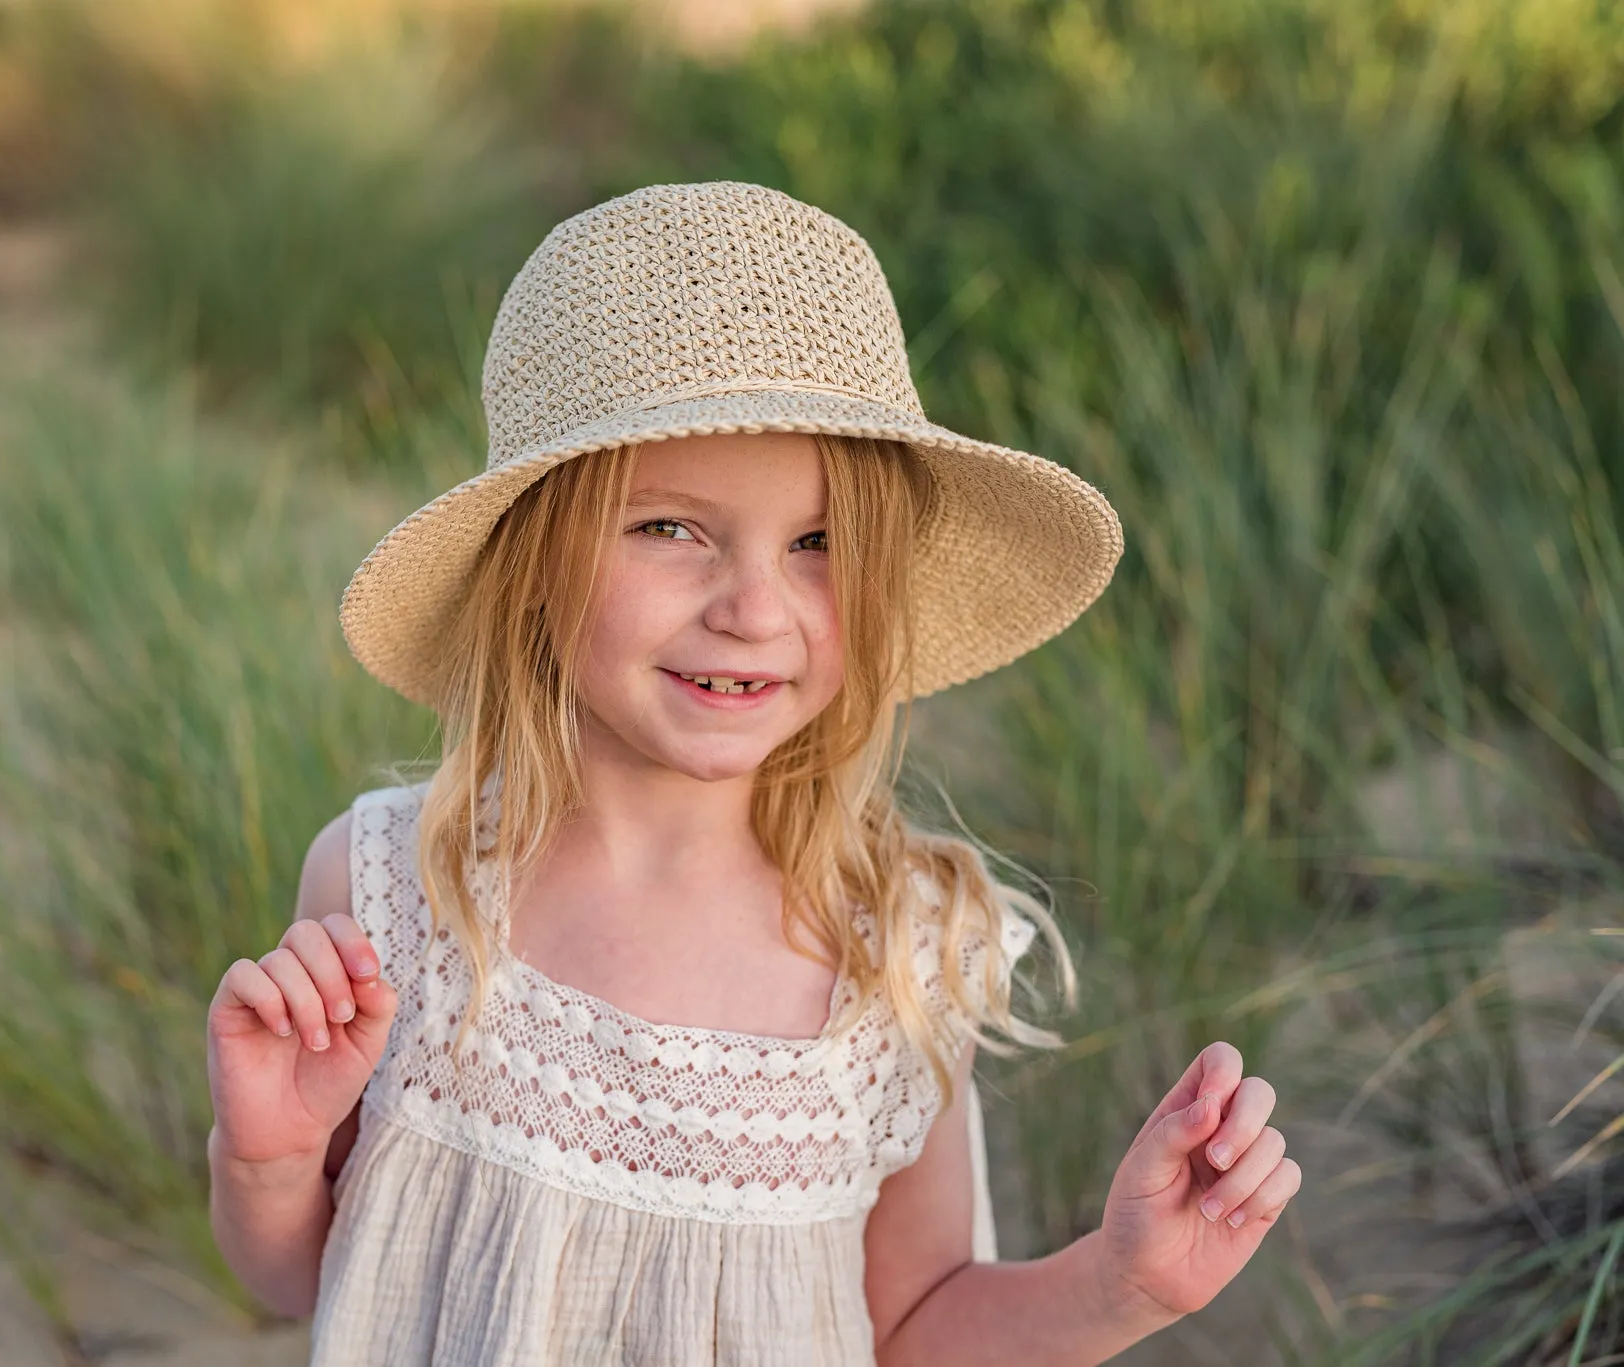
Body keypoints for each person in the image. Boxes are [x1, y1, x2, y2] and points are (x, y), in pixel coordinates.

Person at [205, 181, 1300, 1365]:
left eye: (819, 544)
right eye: (668, 528)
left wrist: (1121, 1283)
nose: (751, 609)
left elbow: (914, 1326)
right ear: (529, 562)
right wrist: (266, 1154)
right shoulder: (393, 895)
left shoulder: (896, 955)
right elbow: (317, 1281)